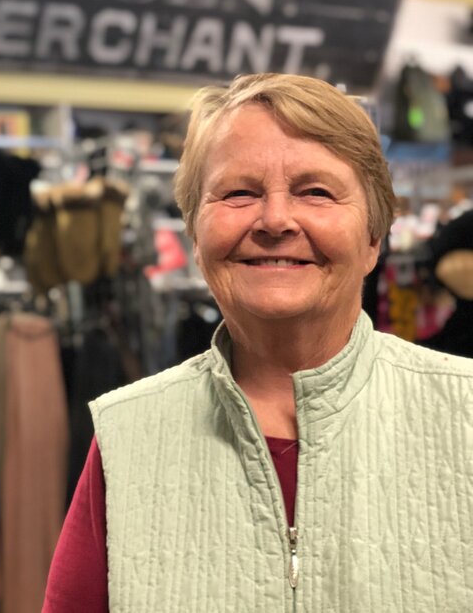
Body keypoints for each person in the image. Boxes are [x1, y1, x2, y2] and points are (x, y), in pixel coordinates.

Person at [43, 73, 473, 611]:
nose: (275, 220)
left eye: (316, 191)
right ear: (195, 236)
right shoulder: (128, 434)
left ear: (372, 238)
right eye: (239, 192)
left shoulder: (465, 414)